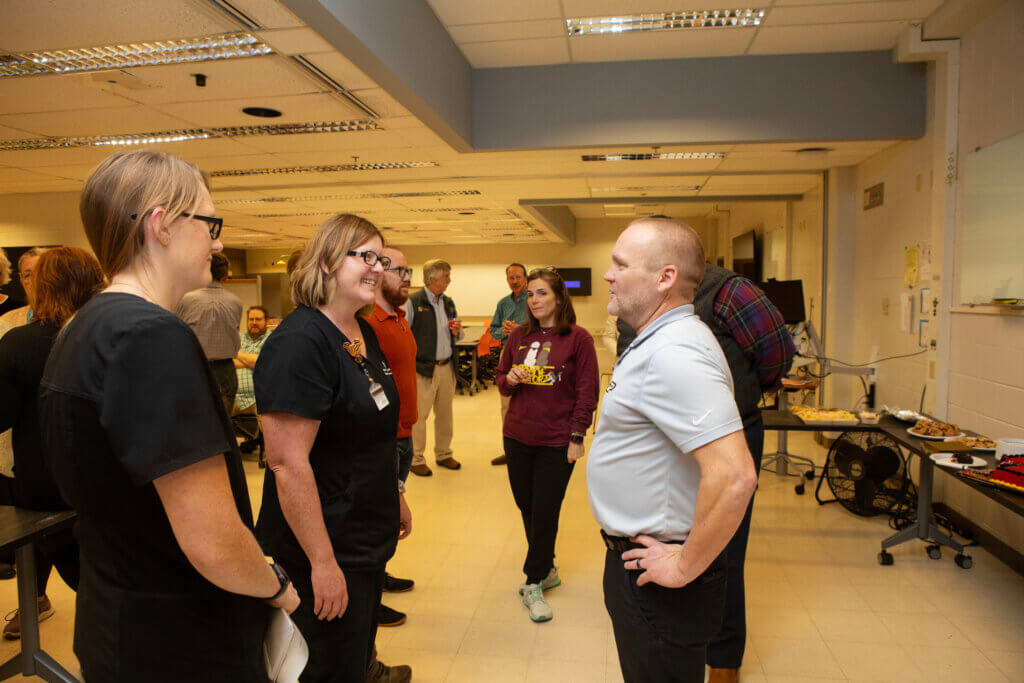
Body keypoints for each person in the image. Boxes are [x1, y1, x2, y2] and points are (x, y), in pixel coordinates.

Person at [38, 150, 298, 683]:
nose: (218, 242)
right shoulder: (151, 336)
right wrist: (274, 583)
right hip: (180, 641)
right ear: (160, 224)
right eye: (210, 223)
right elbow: (213, 542)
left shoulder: (85, 327)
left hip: (116, 618)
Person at [587, 217, 758, 683]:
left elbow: (737, 476)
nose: (608, 274)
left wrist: (683, 565)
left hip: (662, 570)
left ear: (664, 278)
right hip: (640, 559)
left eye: (620, 264)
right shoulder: (661, 339)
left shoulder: (675, 353)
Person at [614, 260, 795, 682]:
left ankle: (724, 659)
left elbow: (777, 355)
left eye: (625, 260)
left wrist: (737, 393)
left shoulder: (731, 292)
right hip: (666, 439)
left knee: (723, 545)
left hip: (726, 430)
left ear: (668, 267)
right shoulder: (635, 300)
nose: (614, 272)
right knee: (669, 537)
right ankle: (674, 636)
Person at [254, 214, 412, 683]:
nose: (376, 269)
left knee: (355, 651)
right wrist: (322, 564)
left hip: (364, 531)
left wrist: (394, 494)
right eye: (363, 256)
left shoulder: (360, 333)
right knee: (325, 664)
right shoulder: (301, 342)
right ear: (325, 261)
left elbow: (371, 429)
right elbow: (287, 463)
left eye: (380, 259)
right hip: (324, 543)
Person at [0, 246, 104, 640]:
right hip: (105, 484)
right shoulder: (109, 338)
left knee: (55, 555)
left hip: (42, 488)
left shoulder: (19, 343)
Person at [495, 267, 599, 622]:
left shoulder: (578, 338)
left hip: (557, 441)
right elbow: (502, 381)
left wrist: (577, 436)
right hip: (518, 437)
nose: (534, 300)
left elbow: (587, 392)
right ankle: (548, 567)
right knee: (527, 506)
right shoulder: (519, 336)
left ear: (558, 297)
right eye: (531, 295)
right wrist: (509, 378)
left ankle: (533, 581)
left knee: (545, 512)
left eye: (541, 293)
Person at [363, 246, 418, 633]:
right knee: (378, 521)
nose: (407, 278)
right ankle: (370, 599)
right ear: (379, 273)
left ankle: (379, 576)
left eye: (408, 271)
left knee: (387, 521)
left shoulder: (399, 319)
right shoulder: (371, 324)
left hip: (405, 435)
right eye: (400, 270)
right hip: (387, 438)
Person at [405, 258, 462, 476]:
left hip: (447, 366)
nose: (449, 280)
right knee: (419, 416)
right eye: (446, 276)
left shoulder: (448, 302)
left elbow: (457, 331)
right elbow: (405, 335)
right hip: (423, 369)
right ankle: (416, 458)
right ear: (433, 278)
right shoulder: (413, 302)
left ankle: (444, 454)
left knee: (445, 414)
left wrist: (458, 331)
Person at [176, 252, 243, 415]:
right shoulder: (236, 302)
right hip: (226, 369)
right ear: (226, 276)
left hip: (195, 367)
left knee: (196, 418)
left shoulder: (186, 299)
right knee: (224, 421)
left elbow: (177, 333)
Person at [489, 262, 528, 466]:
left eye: (518, 277)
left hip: (530, 354)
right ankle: (510, 450)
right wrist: (502, 331)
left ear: (525, 278)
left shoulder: (533, 299)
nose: (514, 281)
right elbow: (494, 330)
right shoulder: (503, 303)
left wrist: (520, 329)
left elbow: (546, 326)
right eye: (511, 278)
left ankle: (528, 448)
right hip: (508, 353)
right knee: (506, 405)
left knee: (530, 402)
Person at [0, 247, 43, 330]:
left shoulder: (71, 319)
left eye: (41, 272)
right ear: (21, 279)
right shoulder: (7, 320)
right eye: (28, 275)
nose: (35, 280)